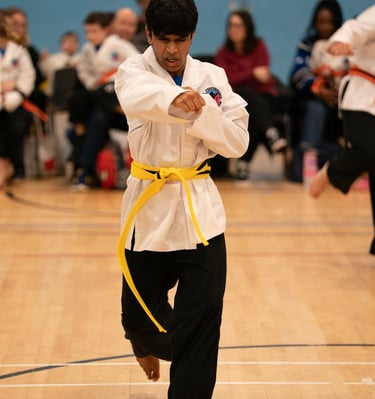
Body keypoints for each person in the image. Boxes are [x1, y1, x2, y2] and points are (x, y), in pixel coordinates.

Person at [114, 0, 249, 397]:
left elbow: (237, 141)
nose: (172, 50)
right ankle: (142, 339)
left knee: (203, 319)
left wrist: (203, 110)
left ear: (192, 37)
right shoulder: (133, 70)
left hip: (199, 211)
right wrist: (175, 102)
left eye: (181, 40)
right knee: (139, 319)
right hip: (148, 207)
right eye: (164, 40)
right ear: (149, 34)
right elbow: (137, 97)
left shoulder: (211, 76)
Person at [309, 4, 375, 256]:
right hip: (361, 92)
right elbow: (355, 27)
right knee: (368, 151)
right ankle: (332, 171)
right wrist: (339, 40)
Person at [67, 11, 139, 189]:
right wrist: (94, 84)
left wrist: (118, 78)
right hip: (101, 96)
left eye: (94, 31)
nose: (90, 36)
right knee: (90, 107)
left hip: (119, 92)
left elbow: (138, 64)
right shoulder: (87, 49)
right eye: (87, 31)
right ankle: (87, 169)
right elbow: (84, 73)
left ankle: (83, 170)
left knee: (97, 110)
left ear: (106, 30)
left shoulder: (118, 45)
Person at [215, 9, 287, 180]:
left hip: (265, 97)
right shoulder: (223, 53)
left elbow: (264, 78)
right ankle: (270, 132)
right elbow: (226, 80)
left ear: (248, 28)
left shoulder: (259, 46)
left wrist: (242, 75)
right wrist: (252, 73)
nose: (234, 29)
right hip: (239, 99)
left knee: (252, 108)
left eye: (238, 25)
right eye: (231, 25)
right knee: (247, 100)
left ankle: (245, 163)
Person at [289, 0, 344, 181]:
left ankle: (349, 157)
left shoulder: (346, 44)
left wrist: (338, 89)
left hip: (342, 97)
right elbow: (298, 74)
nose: (325, 26)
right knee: (316, 108)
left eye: (329, 22)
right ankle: (307, 158)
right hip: (313, 99)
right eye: (321, 22)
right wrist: (318, 88)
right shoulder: (308, 44)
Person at [0, 10, 35, 187]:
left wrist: (17, 91)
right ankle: (2, 164)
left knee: (16, 125)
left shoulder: (19, 49)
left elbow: (28, 75)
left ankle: (14, 165)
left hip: (17, 99)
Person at [39, 31, 81, 97]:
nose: (71, 44)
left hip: (77, 93)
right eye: (68, 41)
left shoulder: (82, 59)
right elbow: (44, 74)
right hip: (56, 94)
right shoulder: (52, 59)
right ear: (61, 44)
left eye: (74, 41)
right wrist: (44, 62)